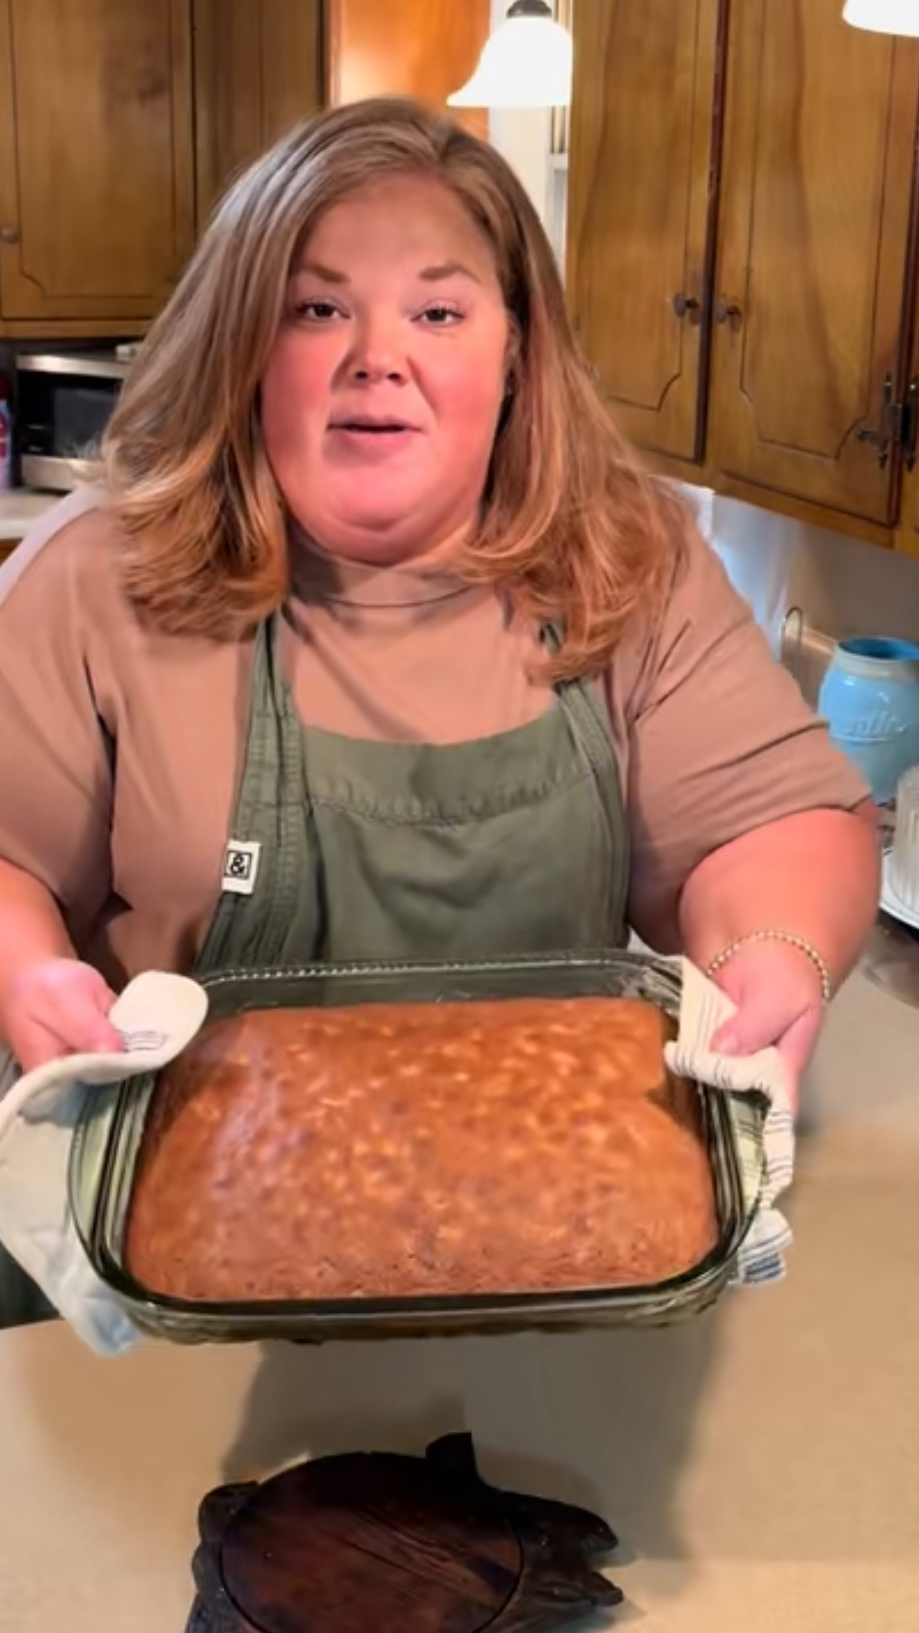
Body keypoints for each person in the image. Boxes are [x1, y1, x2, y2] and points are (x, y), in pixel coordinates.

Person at [0, 97, 877, 1325]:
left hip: (551, 1257)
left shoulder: (627, 564)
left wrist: (769, 956)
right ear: (245, 341)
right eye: (316, 308)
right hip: (178, 1278)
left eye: (438, 309)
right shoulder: (100, 575)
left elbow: (772, 825)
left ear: (514, 348)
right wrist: (26, 968)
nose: (377, 356)